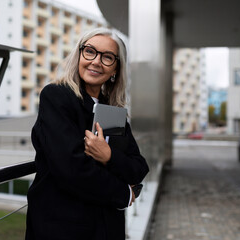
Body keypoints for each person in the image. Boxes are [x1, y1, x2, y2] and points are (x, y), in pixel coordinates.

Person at [25, 28, 149, 240]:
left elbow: (138, 167)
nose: (96, 61)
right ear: (79, 56)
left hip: (107, 227)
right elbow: (71, 168)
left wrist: (108, 155)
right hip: (62, 228)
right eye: (90, 51)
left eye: (108, 57)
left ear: (116, 69)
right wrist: (123, 193)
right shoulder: (57, 97)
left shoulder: (113, 110)